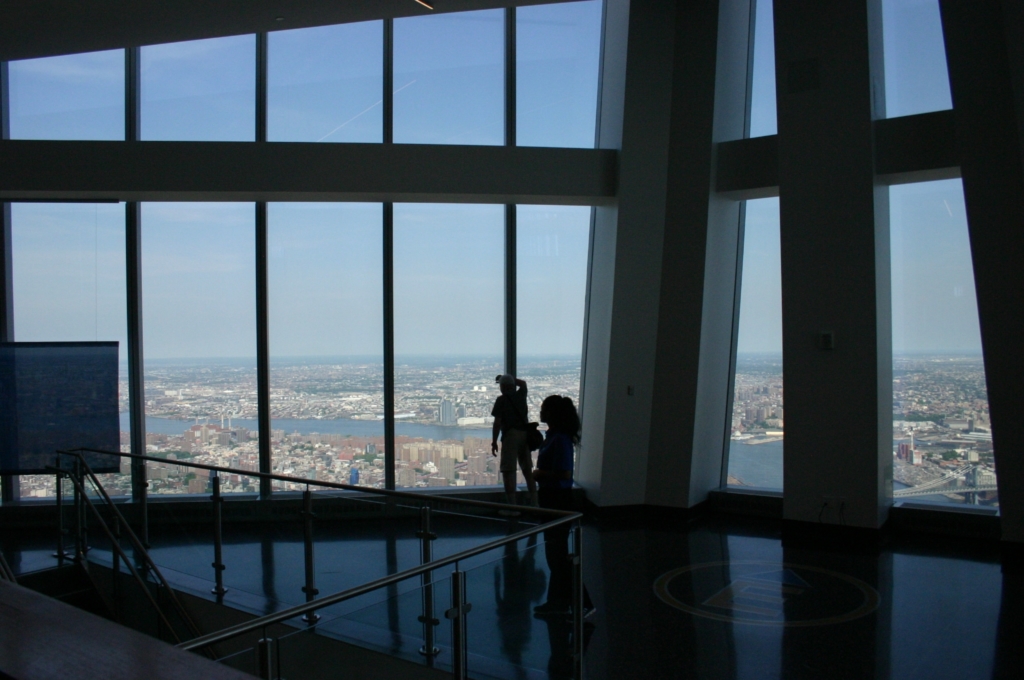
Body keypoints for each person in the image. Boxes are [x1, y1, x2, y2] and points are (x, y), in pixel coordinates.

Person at [531, 394, 595, 620]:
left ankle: (580, 602)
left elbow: (565, 473)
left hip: (557, 499)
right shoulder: (554, 437)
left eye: (544, 409)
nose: (541, 412)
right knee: (556, 555)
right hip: (553, 499)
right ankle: (562, 601)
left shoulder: (560, 439)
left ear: (553, 413)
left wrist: (539, 474)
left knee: (557, 556)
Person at [491, 374, 537, 508]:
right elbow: (523, 383)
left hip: (510, 436)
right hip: (525, 435)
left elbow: (497, 423)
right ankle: (535, 504)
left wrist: (494, 441)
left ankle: (513, 508)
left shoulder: (501, 400)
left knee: (508, 472)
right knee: (528, 471)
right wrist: (509, 379)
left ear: (503, 387)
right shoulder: (521, 395)